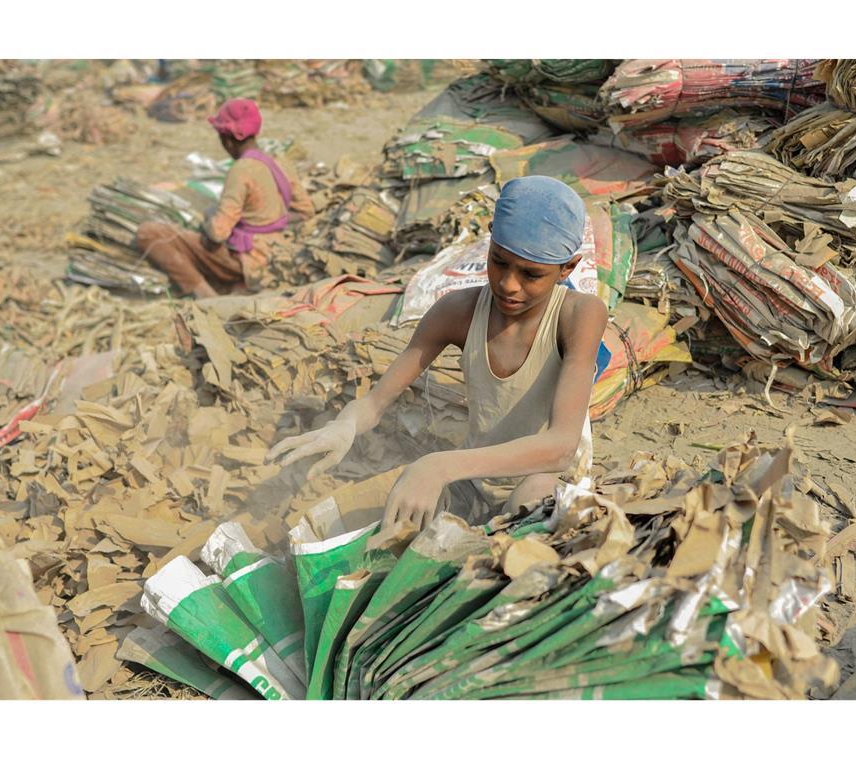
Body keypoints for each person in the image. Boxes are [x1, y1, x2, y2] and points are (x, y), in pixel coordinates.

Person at [269, 175, 608, 531]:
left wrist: (439, 466)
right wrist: (344, 426)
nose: (509, 284)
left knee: (530, 501)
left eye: (531, 274)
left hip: (547, 483)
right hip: (472, 481)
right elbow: (374, 403)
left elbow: (560, 447)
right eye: (499, 262)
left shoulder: (578, 315)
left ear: (567, 268)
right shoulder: (457, 312)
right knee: (380, 523)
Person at [135, 98, 315, 298]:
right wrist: (272, 221)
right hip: (278, 252)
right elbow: (306, 211)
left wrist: (209, 218)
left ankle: (205, 295)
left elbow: (218, 234)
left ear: (227, 140)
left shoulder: (241, 171)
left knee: (148, 233)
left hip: (249, 260)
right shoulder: (280, 162)